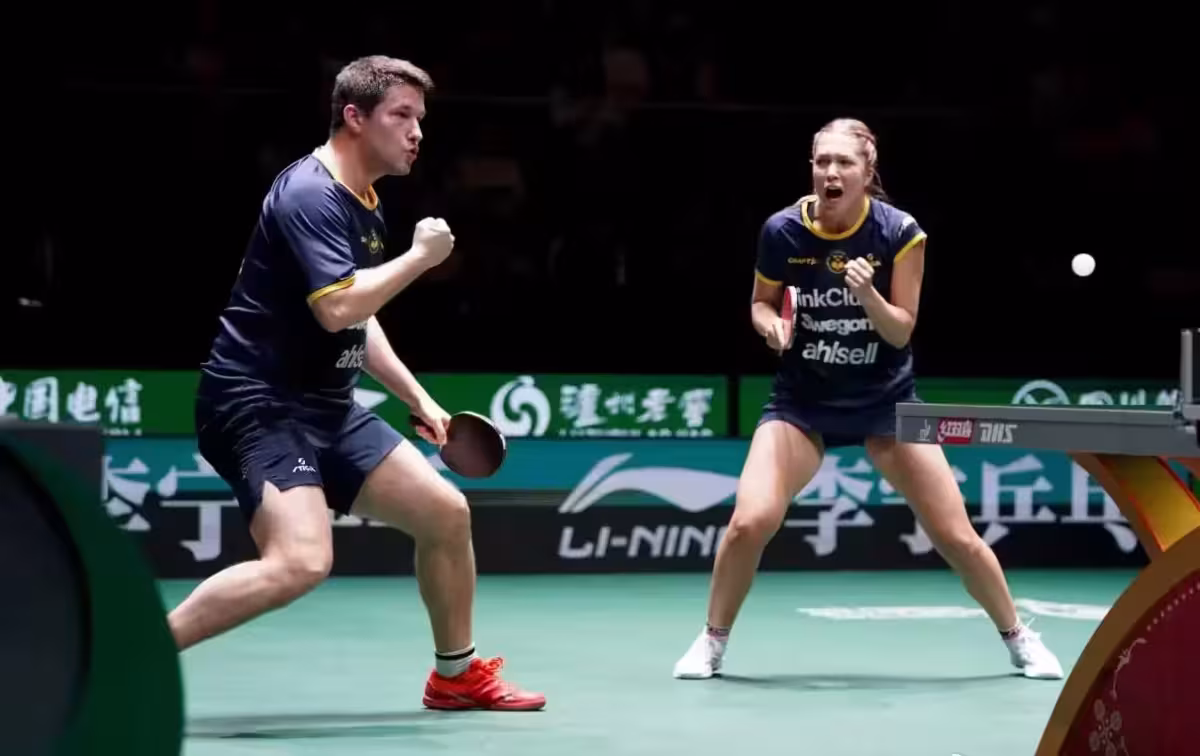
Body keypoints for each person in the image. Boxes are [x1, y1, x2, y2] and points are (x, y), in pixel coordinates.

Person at [171, 55, 546, 712]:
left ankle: (455, 677)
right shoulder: (310, 194)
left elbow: (357, 317)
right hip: (258, 404)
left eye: (420, 118)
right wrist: (420, 259)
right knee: (300, 562)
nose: (417, 132)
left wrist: (420, 400)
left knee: (444, 514)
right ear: (354, 117)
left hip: (327, 406)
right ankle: (132, 646)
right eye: (401, 115)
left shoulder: (364, 202)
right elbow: (337, 306)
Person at [673, 118, 1063, 682]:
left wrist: (867, 295)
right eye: (821, 161)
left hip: (886, 404)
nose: (830, 173)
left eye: (844, 163)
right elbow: (761, 302)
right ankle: (712, 642)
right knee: (749, 522)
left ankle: (1019, 638)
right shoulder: (782, 231)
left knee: (955, 535)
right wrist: (770, 327)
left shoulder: (899, 233)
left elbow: (901, 330)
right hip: (802, 403)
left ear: (866, 169)